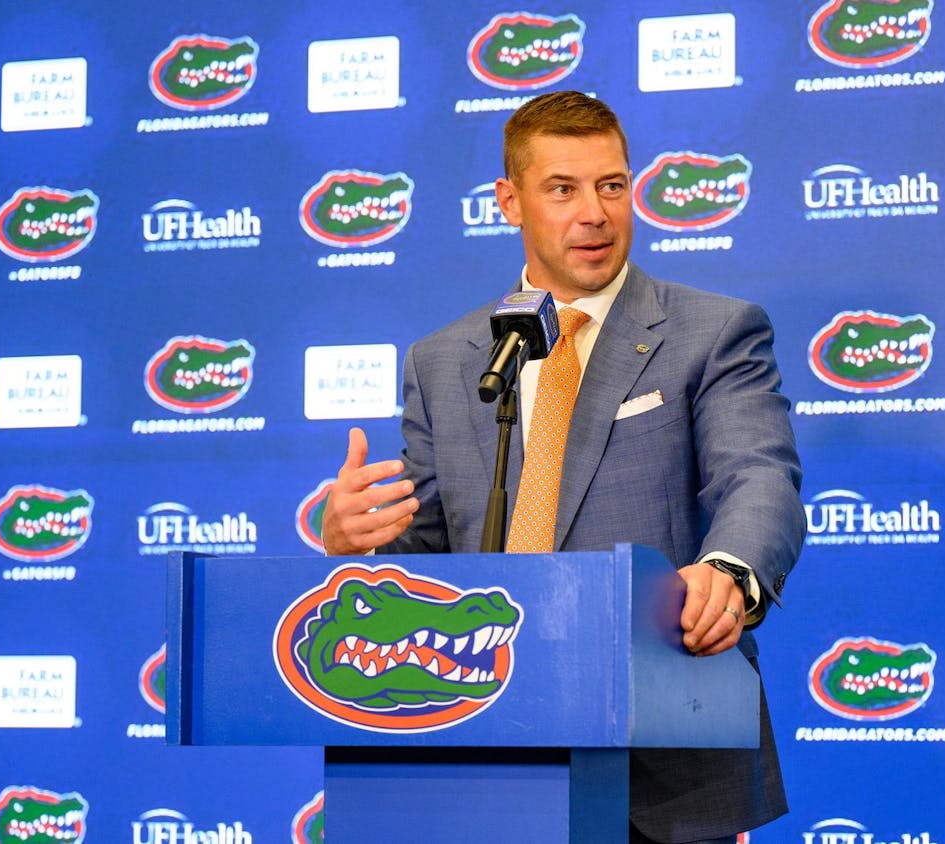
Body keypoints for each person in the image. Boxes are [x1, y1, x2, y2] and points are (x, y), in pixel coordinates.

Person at [321, 90, 805, 844]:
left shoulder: (713, 332)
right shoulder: (444, 362)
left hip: (659, 763)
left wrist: (731, 573)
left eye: (612, 185)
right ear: (508, 202)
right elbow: (424, 561)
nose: (595, 213)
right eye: (563, 189)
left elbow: (759, 477)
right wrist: (357, 542)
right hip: (478, 759)